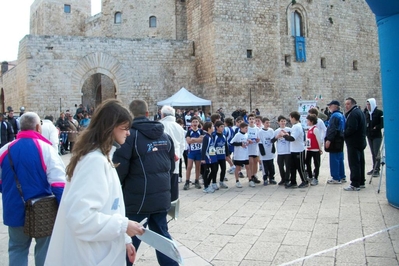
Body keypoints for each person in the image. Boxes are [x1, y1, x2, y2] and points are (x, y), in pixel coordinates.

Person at [45, 99, 144, 265]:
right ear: (110, 127)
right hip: (91, 256)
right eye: (125, 128)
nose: (128, 133)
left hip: (100, 251)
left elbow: (108, 208)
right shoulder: (94, 162)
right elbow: (81, 217)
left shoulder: (100, 158)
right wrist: (123, 225)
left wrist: (124, 239)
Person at [113, 99, 177, 266]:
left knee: (131, 237)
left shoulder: (130, 136)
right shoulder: (165, 136)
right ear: (148, 114)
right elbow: (171, 167)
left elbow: (119, 168)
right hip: (161, 196)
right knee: (162, 236)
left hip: (137, 198)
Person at [0, 112, 66, 266]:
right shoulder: (47, 150)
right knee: (44, 249)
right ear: (38, 127)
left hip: (14, 208)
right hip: (43, 210)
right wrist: (64, 210)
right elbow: (58, 184)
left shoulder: (5, 150)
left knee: (17, 248)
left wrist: (9, 192)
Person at [160, 105, 186, 201]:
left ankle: (163, 203)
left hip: (162, 157)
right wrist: (179, 155)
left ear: (163, 115)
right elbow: (183, 144)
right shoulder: (179, 127)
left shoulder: (160, 125)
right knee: (174, 182)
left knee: (162, 182)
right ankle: (174, 204)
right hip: (176, 157)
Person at [343, 97, 367, 191]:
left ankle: (355, 183)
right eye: (345, 104)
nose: (346, 106)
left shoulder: (353, 114)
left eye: (348, 104)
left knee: (354, 163)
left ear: (353, 104)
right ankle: (361, 181)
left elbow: (352, 128)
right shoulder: (359, 112)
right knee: (360, 162)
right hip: (360, 141)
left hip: (354, 142)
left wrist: (343, 134)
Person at [281, 111, 307, 188]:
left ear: (293, 118)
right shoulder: (294, 126)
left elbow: (292, 138)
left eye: (290, 117)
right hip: (293, 150)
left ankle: (305, 181)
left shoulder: (297, 127)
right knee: (292, 167)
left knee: (300, 166)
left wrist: (284, 136)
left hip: (299, 150)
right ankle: (293, 181)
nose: (290, 119)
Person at [325, 100, 346, 184]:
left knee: (334, 159)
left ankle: (336, 178)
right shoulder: (341, 115)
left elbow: (332, 129)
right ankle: (342, 176)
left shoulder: (334, 116)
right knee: (340, 158)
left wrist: (329, 140)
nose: (329, 107)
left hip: (334, 140)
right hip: (340, 139)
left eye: (330, 105)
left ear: (335, 106)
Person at [183, 116, 204, 190]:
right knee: (189, 167)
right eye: (193, 122)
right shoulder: (189, 131)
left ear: (198, 123)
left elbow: (202, 140)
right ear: (191, 123)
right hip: (191, 152)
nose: (195, 123)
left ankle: (197, 181)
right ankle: (187, 181)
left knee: (198, 167)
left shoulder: (201, 131)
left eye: (196, 122)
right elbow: (188, 141)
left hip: (198, 152)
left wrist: (193, 139)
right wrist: (197, 139)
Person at [230, 122, 252, 188]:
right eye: (245, 128)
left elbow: (246, 141)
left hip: (245, 154)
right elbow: (231, 143)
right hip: (239, 155)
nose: (246, 129)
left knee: (248, 167)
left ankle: (250, 180)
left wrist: (249, 141)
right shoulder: (238, 135)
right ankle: (237, 181)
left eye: (247, 128)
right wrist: (240, 144)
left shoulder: (246, 134)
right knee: (238, 168)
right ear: (241, 128)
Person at [365, 98, 383, 177]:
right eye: (367, 104)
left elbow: (382, 124)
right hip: (370, 135)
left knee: (376, 152)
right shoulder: (367, 113)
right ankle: (374, 167)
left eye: (369, 104)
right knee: (373, 152)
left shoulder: (379, 113)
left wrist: (376, 127)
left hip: (377, 135)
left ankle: (377, 169)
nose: (368, 106)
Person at [273, 115, 291, 186]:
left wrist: (287, 135)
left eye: (284, 121)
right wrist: (277, 137)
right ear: (278, 122)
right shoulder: (276, 131)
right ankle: (283, 178)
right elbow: (272, 140)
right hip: (280, 151)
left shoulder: (289, 129)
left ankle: (287, 179)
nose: (283, 122)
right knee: (280, 165)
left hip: (287, 151)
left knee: (288, 166)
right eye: (281, 121)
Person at [258, 117, 277, 186]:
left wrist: (273, 149)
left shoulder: (271, 130)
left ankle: (271, 178)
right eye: (266, 123)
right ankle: (265, 178)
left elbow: (272, 140)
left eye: (269, 123)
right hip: (264, 152)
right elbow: (260, 142)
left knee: (271, 166)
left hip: (270, 151)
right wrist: (262, 152)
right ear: (263, 123)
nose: (268, 124)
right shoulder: (260, 132)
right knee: (265, 167)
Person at [305, 114, 323, 186]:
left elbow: (319, 140)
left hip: (315, 149)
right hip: (309, 149)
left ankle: (315, 178)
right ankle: (310, 176)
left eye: (308, 120)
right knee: (307, 162)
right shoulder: (309, 129)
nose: (307, 122)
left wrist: (320, 149)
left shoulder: (315, 129)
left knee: (316, 164)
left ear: (311, 121)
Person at [201, 122, 218, 193]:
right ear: (209, 128)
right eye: (212, 127)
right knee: (206, 171)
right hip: (207, 157)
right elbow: (204, 148)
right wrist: (203, 159)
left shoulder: (211, 136)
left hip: (212, 157)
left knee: (214, 170)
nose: (214, 128)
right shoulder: (206, 137)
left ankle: (207, 184)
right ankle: (206, 187)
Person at [213, 121, 229, 189]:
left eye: (223, 126)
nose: (223, 128)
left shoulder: (224, 136)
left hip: (222, 156)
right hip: (216, 156)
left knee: (223, 169)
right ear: (217, 127)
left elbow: (225, 145)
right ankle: (214, 183)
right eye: (221, 126)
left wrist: (227, 154)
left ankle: (221, 181)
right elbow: (212, 146)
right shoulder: (214, 136)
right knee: (215, 170)